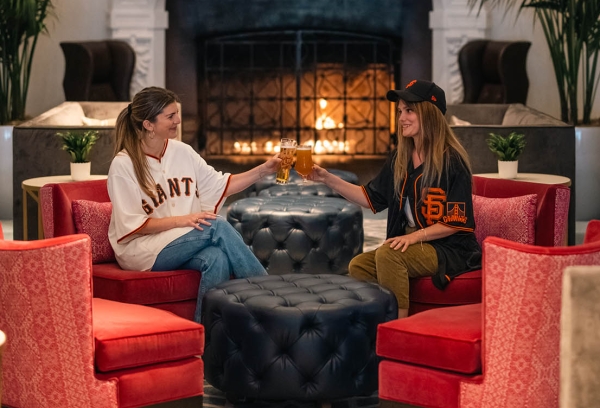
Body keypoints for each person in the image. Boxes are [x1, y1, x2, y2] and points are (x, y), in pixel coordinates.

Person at [309, 79, 481, 318]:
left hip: (448, 248)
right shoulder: (400, 157)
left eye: (409, 110)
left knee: (388, 255)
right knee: (359, 266)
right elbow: (370, 198)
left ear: (428, 113)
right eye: (400, 111)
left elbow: (456, 221)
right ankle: (375, 322)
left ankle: (399, 325)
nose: (401, 118)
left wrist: (414, 238)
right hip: (414, 244)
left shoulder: (452, 161)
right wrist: (327, 178)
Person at [107, 86, 279, 322]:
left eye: (176, 113)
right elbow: (133, 225)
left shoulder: (183, 152)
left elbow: (220, 185)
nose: (178, 120)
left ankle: (204, 339)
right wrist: (182, 220)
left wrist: (264, 170)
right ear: (148, 124)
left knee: (216, 257)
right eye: (170, 116)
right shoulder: (123, 165)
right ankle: (271, 300)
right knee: (216, 226)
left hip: (181, 241)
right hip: (142, 250)